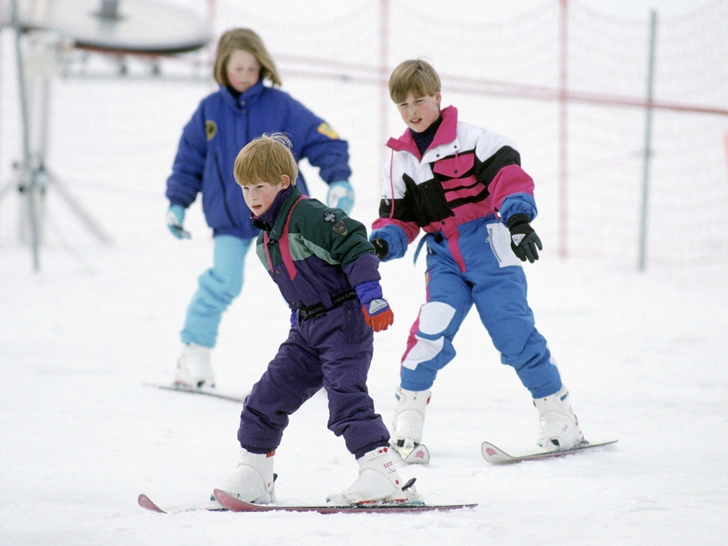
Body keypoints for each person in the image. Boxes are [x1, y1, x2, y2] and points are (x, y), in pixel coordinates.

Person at [369, 59, 584, 461]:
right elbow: (398, 218)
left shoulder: (472, 140)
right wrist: (384, 241)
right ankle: (407, 423)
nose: (412, 111)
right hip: (443, 257)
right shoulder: (398, 161)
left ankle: (559, 417)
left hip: (488, 246)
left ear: (437, 97)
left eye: (419, 101)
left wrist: (518, 219)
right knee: (428, 333)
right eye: (402, 105)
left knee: (513, 332)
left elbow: (509, 177)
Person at [216, 133, 419, 505]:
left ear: (283, 182)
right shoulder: (266, 240)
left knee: (345, 394)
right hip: (307, 330)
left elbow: (356, 244)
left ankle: (382, 474)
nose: (251, 195)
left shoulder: (308, 215)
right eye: (244, 187)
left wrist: (371, 297)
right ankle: (255, 474)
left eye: (259, 186)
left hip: (345, 320)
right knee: (266, 396)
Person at [165, 28, 355, 388]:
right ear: (223, 67)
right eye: (238, 67)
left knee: (311, 283)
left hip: (287, 220)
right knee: (224, 282)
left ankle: (323, 356)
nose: (246, 74)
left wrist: (339, 180)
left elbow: (325, 140)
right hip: (232, 220)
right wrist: (177, 203)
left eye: (252, 67)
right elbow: (187, 161)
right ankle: (192, 353)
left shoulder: (281, 106)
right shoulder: (209, 111)